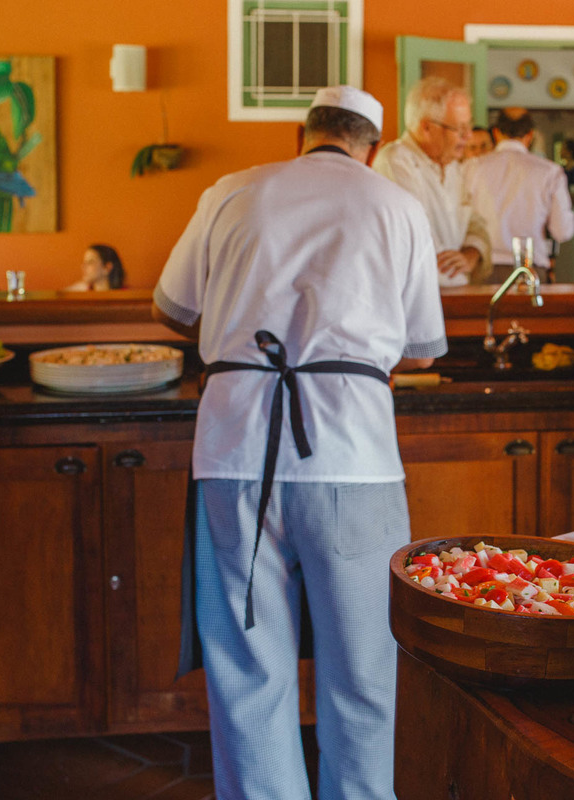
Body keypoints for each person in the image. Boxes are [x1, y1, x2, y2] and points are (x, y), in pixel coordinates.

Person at [151, 85, 446, 800]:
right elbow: (423, 348)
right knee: (365, 665)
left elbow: (170, 307)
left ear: (302, 134)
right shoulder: (398, 205)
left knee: (248, 663)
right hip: (354, 455)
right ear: (372, 147)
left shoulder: (231, 190)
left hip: (235, 448)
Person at [373, 76, 491, 287]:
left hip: (453, 291)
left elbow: (474, 223)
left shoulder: (453, 167)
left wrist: (471, 254)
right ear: (427, 127)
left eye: (469, 126)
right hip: (418, 293)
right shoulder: (396, 161)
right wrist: (457, 275)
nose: (468, 136)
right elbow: (418, 241)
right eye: (459, 128)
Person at [464, 107, 574, 283]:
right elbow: (563, 231)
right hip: (530, 267)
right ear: (530, 135)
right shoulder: (549, 172)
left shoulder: (473, 168)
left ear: (496, 133)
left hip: (483, 266)